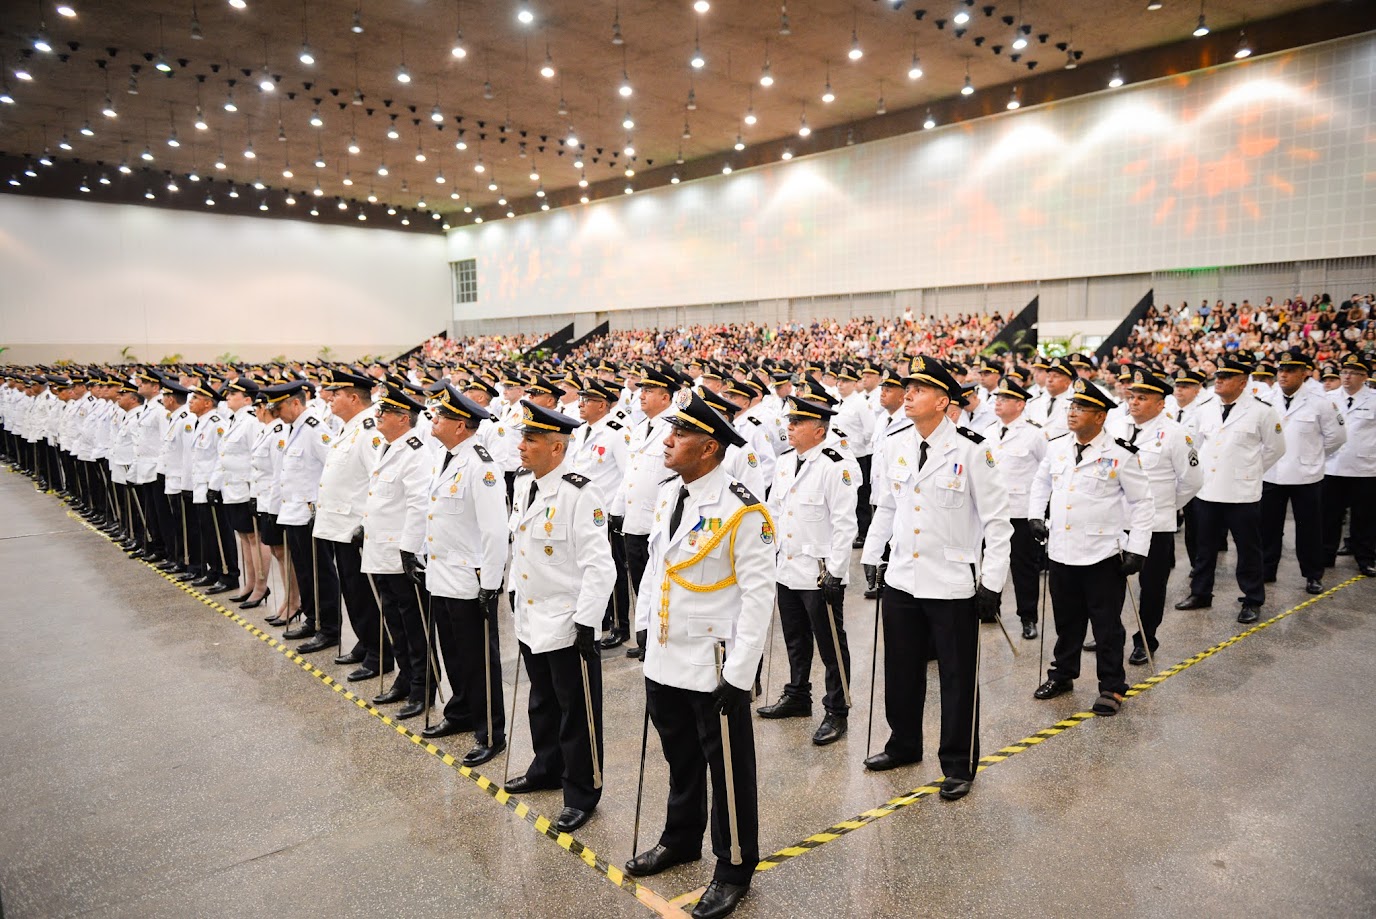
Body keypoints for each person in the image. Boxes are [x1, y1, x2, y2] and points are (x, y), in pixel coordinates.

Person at [624, 389, 775, 919]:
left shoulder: (742, 510)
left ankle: (734, 866)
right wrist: (644, 627)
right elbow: (655, 567)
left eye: (681, 434)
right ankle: (681, 837)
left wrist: (740, 674)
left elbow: (760, 595)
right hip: (666, 653)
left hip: (714, 663)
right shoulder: (671, 493)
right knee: (680, 757)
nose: (668, 441)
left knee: (728, 767)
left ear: (708, 447)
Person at [860, 356, 1011, 800]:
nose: (907, 395)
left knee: (957, 675)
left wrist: (992, 582)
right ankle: (903, 744)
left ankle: (958, 763)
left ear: (943, 401)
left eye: (919, 389)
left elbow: (998, 521)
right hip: (904, 575)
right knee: (901, 669)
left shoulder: (972, 448)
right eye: (907, 388)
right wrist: (873, 554)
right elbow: (886, 505)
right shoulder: (896, 443)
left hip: (952, 582)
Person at [502, 401, 615, 835]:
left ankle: (582, 790)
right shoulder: (525, 485)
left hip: (568, 619)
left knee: (576, 710)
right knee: (542, 702)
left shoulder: (580, 493)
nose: (522, 446)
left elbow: (599, 565)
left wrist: (587, 622)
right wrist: (514, 591)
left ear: (557, 447)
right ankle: (546, 766)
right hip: (532, 614)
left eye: (531, 440)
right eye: (523, 438)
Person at [1028, 378, 1154, 715]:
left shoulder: (1119, 453)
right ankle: (1063, 674)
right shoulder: (1057, 446)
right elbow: (1041, 482)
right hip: (1062, 549)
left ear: (1100, 417)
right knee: (1066, 620)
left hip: (1102, 553)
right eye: (1072, 407)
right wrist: (1034, 515)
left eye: (1081, 408)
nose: (1073, 413)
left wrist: (1138, 548)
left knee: (1106, 625)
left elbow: (1142, 503)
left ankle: (1112, 686)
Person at [407, 384, 510, 764]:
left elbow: (494, 529)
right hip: (442, 573)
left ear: (463, 425)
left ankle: (490, 732)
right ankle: (461, 711)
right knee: (453, 651)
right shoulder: (446, 456)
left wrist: (491, 582)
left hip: (470, 578)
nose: (436, 419)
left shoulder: (480, 464)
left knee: (479, 659)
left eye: (444, 416)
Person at [759, 393, 860, 746]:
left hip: (820, 572)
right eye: (790, 421)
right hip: (787, 566)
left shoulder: (837, 465)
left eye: (797, 422)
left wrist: (836, 571)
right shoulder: (786, 461)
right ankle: (798, 695)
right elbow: (772, 511)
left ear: (819, 430)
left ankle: (837, 709)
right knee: (795, 639)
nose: (789, 427)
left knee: (830, 644)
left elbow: (846, 524)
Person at [1175, 358, 1287, 623]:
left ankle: (1252, 599)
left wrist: (1250, 470)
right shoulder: (1205, 409)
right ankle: (1200, 593)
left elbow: (1276, 448)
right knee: (1205, 548)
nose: (1219, 381)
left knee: (1248, 549)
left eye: (1226, 377)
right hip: (1209, 491)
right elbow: (1195, 445)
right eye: (1218, 376)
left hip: (1242, 493)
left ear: (1242, 382)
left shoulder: (1262, 411)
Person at [1117, 367, 1203, 665]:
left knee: (1152, 587)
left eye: (1143, 397)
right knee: (1110, 584)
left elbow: (1192, 481)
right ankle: (1110, 632)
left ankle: (1145, 638)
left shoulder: (1176, 434)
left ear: (1160, 402)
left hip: (1156, 525)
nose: (1135, 402)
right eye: (1132, 397)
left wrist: (1163, 506)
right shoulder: (1116, 426)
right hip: (1117, 522)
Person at [360, 384, 436, 721]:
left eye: (385, 412)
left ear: (403, 418)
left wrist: (410, 549)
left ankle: (423, 687)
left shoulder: (416, 451)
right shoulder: (389, 446)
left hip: (401, 552)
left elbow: (420, 504)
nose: (378, 416)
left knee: (413, 622)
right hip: (380, 550)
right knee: (394, 619)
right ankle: (405, 678)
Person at [312, 369, 391, 679]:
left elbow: (379, 479)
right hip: (340, 525)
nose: (331, 398)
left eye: (338, 393)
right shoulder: (351, 427)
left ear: (354, 398)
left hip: (356, 527)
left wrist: (367, 523)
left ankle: (378, 653)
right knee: (351, 590)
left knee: (363, 593)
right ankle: (365, 641)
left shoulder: (369, 429)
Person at [1261, 351, 1346, 594]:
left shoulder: (1320, 402)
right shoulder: (1266, 400)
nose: (1283, 375)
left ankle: (1312, 574)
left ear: (1304, 373)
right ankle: (1267, 570)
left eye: (1290, 370)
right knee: (1268, 527)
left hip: (1306, 476)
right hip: (1272, 474)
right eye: (1280, 370)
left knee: (1309, 528)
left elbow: (1337, 438)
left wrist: (1313, 456)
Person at [613, 367, 677, 660]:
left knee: (660, 585)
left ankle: (660, 638)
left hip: (659, 522)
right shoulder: (641, 428)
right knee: (640, 583)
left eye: (649, 391)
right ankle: (645, 634)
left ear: (665, 396)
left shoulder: (673, 428)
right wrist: (617, 509)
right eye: (642, 390)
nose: (642, 395)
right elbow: (630, 474)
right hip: (635, 521)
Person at [569, 377, 633, 649]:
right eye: (581, 398)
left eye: (588, 400)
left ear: (603, 405)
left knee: (613, 569)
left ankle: (621, 625)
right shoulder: (581, 431)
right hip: (584, 512)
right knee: (589, 568)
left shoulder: (615, 432)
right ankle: (603, 617)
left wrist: (616, 510)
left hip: (606, 514)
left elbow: (628, 474)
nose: (581, 404)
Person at [984, 376, 1047, 638]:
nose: (998, 402)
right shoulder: (988, 431)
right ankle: (990, 608)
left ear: (1020, 404)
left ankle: (1028, 617)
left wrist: (1040, 513)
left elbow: (1047, 472)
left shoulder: (1034, 434)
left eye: (1005, 399)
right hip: (992, 511)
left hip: (1021, 512)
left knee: (1023, 568)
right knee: (991, 560)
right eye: (997, 398)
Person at [1322, 354, 1376, 576]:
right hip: (1332, 467)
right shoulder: (1328, 397)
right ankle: (1326, 555)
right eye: (1344, 371)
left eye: (1353, 372)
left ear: (1364, 377)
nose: (1347, 376)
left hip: (1365, 468)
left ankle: (1365, 558)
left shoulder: (1374, 398)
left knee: (1365, 517)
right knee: (1329, 515)